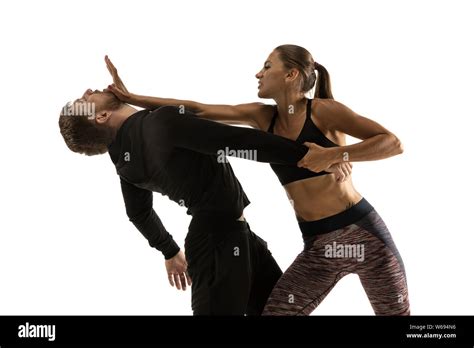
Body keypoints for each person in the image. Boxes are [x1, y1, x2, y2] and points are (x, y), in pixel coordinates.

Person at [105, 44, 410, 316]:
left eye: (267, 66)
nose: (258, 74)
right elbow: (195, 110)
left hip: (364, 236)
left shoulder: (324, 112)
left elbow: (392, 143)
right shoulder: (263, 118)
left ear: (291, 74)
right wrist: (131, 97)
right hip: (317, 246)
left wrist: (338, 154)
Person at [58, 83, 350, 315]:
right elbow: (237, 142)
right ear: (101, 116)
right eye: (84, 100)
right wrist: (312, 156)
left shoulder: (123, 161)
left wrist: (170, 252)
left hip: (233, 238)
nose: (87, 91)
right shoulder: (159, 124)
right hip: (217, 244)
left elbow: (138, 213)